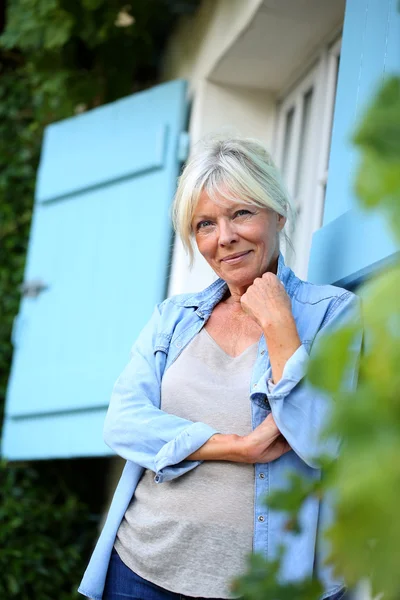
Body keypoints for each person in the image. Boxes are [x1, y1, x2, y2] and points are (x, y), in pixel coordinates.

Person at [78, 136, 361, 600]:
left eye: (241, 213)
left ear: (279, 213)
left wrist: (281, 328)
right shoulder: (173, 318)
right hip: (140, 569)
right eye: (204, 224)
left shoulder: (332, 314)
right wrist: (238, 446)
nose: (223, 237)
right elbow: (123, 423)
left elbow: (324, 441)